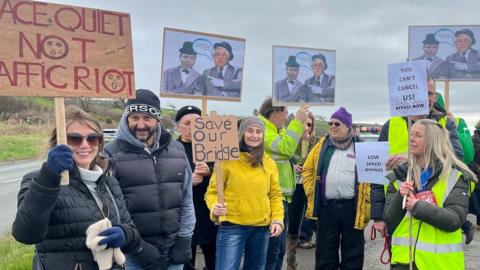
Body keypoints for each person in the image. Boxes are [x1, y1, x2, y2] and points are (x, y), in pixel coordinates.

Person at [12, 106, 161, 270]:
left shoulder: (108, 181)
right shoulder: (39, 179)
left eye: (92, 138)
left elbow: (128, 226)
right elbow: (26, 234)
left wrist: (125, 235)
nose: (85, 145)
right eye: (75, 139)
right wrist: (49, 176)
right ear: (59, 141)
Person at [104, 89, 195, 270]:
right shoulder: (111, 153)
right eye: (134, 118)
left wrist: (185, 237)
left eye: (147, 118)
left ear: (157, 119)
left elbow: (186, 198)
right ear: (126, 118)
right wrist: (137, 246)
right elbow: (110, 207)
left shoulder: (177, 150)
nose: (140, 124)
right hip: (131, 253)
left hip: (173, 249)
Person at [371, 78, 463, 240]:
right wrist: (378, 216)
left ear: (435, 97)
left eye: (430, 93)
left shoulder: (445, 123)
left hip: (437, 210)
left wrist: (415, 156)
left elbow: (457, 157)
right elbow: (377, 171)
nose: (427, 97)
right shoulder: (391, 124)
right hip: (397, 208)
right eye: (422, 92)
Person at [384, 119, 478, 269]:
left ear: (433, 141)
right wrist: (400, 197)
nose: (411, 138)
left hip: (439, 264)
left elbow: (454, 220)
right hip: (403, 262)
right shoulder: (401, 175)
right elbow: (389, 221)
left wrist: (417, 207)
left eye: (418, 135)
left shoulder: (455, 177)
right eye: (411, 133)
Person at [205, 117, 284, 270]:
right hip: (232, 227)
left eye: (258, 131)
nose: (254, 135)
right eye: (250, 131)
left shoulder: (269, 163)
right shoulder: (225, 160)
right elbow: (212, 192)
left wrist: (277, 219)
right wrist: (215, 207)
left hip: (261, 228)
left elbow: (275, 195)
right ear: (241, 134)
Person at [303, 107, 370, 270]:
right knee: (325, 254)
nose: (332, 126)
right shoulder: (322, 145)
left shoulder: (362, 147)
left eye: (337, 124)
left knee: (353, 255)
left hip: (353, 208)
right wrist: (312, 191)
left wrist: (368, 204)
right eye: (330, 123)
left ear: (348, 127)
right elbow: (308, 169)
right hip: (327, 208)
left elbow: (372, 179)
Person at [258, 98, 309, 270]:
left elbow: (294, 156)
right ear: (275, 112)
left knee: (279, 250)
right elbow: (286, 148)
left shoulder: (276, 131)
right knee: (271, 252)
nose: (287, 117)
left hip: (282, 197)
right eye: (286, 113)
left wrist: (302, 137)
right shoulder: (262, 130)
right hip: (269, 198)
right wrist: (298, 121)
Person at [175, 106, 217, 270]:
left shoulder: (213, 146)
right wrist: (187, 182)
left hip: (209, 211)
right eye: (187, 123)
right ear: (179, 126)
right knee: (186, 259)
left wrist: (210, 172)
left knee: (213, 256)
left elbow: (227, 177)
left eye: (197, 123)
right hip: (183, 213)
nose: (192, 127)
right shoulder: (171, 148)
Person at [285, 112, 316, 270]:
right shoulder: (289, 141)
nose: (306, 128)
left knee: (316, 222)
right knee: (293, 226)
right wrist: (292, 166)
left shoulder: (317, 143)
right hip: (294, 187)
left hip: (312, 188)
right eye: (303, 123)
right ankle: (291, 263)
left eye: (309, 124)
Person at [470, 120, 480, 230]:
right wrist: (477, 168)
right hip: (477, 174)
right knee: (477, 197)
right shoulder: (473, 140)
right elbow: (469, 158)